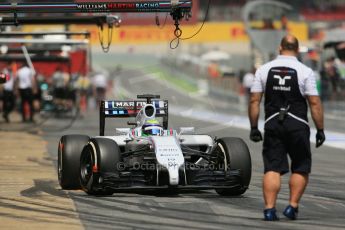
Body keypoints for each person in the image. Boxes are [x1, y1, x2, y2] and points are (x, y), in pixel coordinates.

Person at [248, 35, 325, 221]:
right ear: (297, 50)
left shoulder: (263, 70)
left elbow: (254, 100)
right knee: (300, 167)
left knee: (272, 168)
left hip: (273, 123)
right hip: (298, 124)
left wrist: (254, 127)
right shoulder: (306, 71)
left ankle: (269, 209)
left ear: (280, 47)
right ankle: (292, 206)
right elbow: (314, 103)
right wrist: (320, 129)